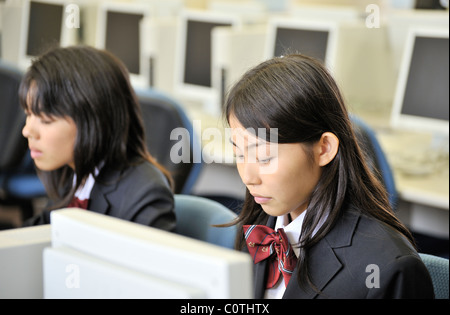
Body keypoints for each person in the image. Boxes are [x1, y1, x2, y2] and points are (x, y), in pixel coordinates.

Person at [224, 54, 434, 298]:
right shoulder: (256, 230)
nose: (248, 178)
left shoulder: (388, 268)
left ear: (324, 149)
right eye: (239, 154)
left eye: (264, 158)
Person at [19, 46, 175, 231]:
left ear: (93, 122)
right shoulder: (72, 172)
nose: (27, 131)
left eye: (46, 120)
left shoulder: (144, 194)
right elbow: (36, 234)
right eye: (28, 114)